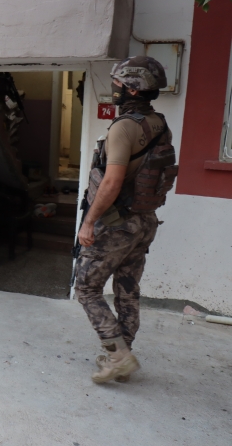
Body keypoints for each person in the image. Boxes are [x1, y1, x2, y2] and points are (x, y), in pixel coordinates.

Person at [74, 56, 176, 384]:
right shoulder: (159, 123)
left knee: (86, 288)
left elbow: (112, 182)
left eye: (118, 82)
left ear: (132, 86)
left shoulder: (124, 127)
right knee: (127, 289)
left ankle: (117, 356)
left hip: (116, 224)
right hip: (144, 222)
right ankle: (124, 353)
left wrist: (88, 222)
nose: (114, 88)